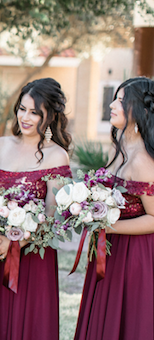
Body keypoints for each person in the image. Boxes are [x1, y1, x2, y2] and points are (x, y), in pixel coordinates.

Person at [0, 78, 71, 340]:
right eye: (22, 109)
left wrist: (18, 242)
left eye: (35, 112)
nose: (25, 117)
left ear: (50, 116)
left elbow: (50, 213)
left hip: (32, 254)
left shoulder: (57, 156)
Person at [74, 77, 154, 339]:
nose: (112, 104)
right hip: (110, 247)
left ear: (140, 109)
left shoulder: (143, 159)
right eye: (114, 98)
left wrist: (106, 225)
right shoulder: (119, 146)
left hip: (135, 256)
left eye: (121, 100)